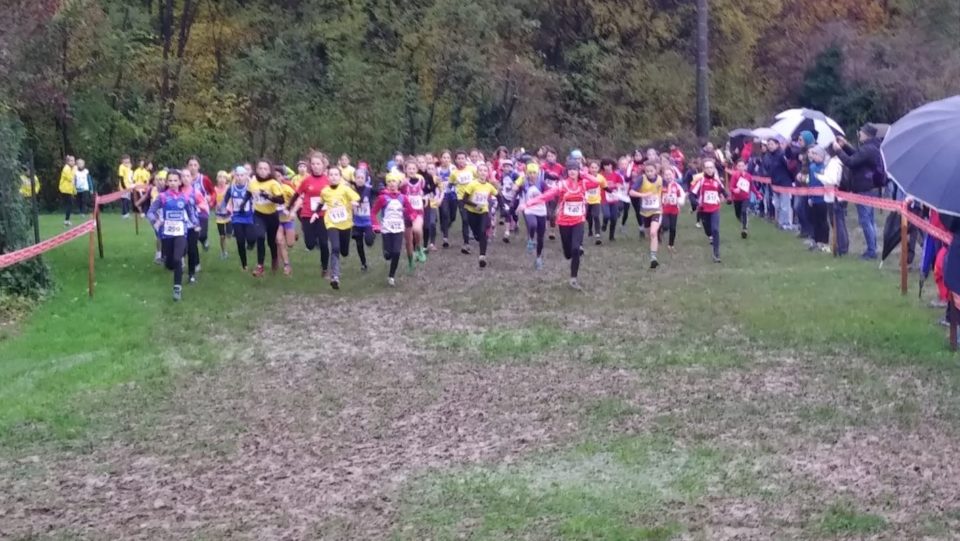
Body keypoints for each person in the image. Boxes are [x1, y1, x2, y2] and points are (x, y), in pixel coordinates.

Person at [520, 160, 601, 289]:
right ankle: (570, 253)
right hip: (564, 221)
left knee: (576, 249)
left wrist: (584, 173)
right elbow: (546, 196)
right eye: (570, 169)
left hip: (579, 220)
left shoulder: (584, 183)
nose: (572, 171)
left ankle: (573, 279)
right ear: (567, 172)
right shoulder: (562, 185)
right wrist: (528, 204)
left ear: (578, 170)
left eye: (575, 169)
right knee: (568, 253)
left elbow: (597, 182)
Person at [146, 170, 198, 301]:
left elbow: (191, 214)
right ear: (167, 182)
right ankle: (174, 258)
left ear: (180, 182)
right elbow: (150, 212)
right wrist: (156, 220)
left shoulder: (185, 198)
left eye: (176, 180)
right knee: (169, 264)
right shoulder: (162, 197)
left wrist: (196, 223)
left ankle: (177, 289)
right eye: (170, 180)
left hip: (181, 233)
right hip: (167, 234)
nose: (173, 183)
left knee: (177, 259)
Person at [833, 124, 883, 260]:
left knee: (865, 220)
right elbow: (858, 156)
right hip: (869, 186)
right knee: (869, 219)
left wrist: (838, 151)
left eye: (860, 132)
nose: (859, 134)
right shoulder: (871, 147)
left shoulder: (868, 149)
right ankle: (873, 247)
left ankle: (871, 251)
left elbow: (851, 162)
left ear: (866, 134)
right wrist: (846, 146)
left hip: (864, 187)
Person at [313, 166, 360, 289]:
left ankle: (337, 269)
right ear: (328, 177)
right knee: (335, 248)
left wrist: (354, 203)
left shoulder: (345, 189)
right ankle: (335, 276)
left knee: (344, 251)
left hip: (345, 224)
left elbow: (356, 198)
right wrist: (315, 213)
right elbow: (321, 203)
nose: (333, 177)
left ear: (340, 177)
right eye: (331, 175)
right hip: (331, 223)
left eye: (336, 175)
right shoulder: (325, 191)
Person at [241, 159, 286, 277]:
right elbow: (249, 193)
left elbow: (281, 200)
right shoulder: (253, 182)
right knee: (260, 237)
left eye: (265, 169)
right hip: (258, 214)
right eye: (260, 168)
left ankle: (275, 258)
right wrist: (242, 204)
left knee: (271, 242)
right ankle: (260, 266)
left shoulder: (273, 183)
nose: (262, 171)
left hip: (272, 216)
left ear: (269, 170)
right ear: (256, 169)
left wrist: (269, 196)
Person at [289, 152, 331, 275]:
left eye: (318, 164)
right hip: (307, 214)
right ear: (310, 166)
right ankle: (312, 237)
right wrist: (290, 208)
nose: (316, 166)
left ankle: (324, 269)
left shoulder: (328, 180)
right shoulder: (306, 180)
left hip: (323, 215)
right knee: (310, 244)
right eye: (313, 164)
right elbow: (297, 194)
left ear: (323, 165)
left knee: (324, 242)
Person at [372, 173, 417, 286]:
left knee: (396, 252)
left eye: (394, 181)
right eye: (389, 182)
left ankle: (391, 276)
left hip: (398, 228)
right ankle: (386, 251)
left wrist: (409, 215)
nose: (392, 184)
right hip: (386, 229)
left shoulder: (403, 198)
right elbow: (373, 213)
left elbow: (412, 212)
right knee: (388, 255)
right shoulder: (382, 198)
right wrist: (376, 225)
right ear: (387, 184)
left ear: (398, 184)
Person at [461, 164, 499, 268]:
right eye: (481, 171)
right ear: (477, 173)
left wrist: (504, 208)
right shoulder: (472, 185)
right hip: (471, 212)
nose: (483, 173)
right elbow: (464, 199)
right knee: (477, 234)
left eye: (485, 171)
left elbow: (498, 195)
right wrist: (474, 205)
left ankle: (482, 256)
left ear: (487, 174)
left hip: (483, 211)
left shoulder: (489, 186)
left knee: (483, 232)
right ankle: (479, 238)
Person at [628, 161, 664, 268]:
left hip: (657, 210)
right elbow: (631, 192)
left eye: (651, 171)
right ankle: (654, 246)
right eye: (647, 171)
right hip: (645, 211)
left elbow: (664, 190)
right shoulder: (641, 179)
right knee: (649, 234)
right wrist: (643, 195)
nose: (649, 173)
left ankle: (653, 258)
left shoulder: (660, 179)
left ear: (655, 170)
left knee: (653, 232)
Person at [817, 146, 848, 256]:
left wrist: (819, 176)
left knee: (837, 222)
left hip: (834, 196)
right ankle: (842, 245)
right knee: (838, 222)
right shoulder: (833, 162)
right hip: (834, 195)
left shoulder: (834, 163)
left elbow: (832, 179)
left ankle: (841, 247)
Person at [517, 162, 548, 269]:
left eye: (534, 173)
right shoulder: (524, 183)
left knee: (541, 237)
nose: (532, 175)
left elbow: (549, 194)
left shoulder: (542, 183)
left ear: (538, 173)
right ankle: (530, 239)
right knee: (533, 225)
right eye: (530, 173)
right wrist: (514, 206)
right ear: (527, 173)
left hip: (541, 210)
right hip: (529, 209)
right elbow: (517, 193)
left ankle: (538, 258)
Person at [226, 166, 255, 271]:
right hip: (237, 217)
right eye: (237, 175)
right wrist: (224, 208)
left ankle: (251, 244)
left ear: (246, 176)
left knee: (251, 239)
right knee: (240, 241)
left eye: (242, 175)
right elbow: (225, 199)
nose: (239, 177)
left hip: (249, 217)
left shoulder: (250, 187)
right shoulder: (231, 188)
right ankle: (244, 264)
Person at [696, 159, 726, 263]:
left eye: (711, 167)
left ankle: (716, 254)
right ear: (703, 169)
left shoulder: (717, 180)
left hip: (715, 208)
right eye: (707, 168)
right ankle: (710, 236)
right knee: (708, 231)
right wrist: (694, 203)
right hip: (704, 210)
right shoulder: (700, 181)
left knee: (715, 230)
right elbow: (692, 193)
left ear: (714, 169)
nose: (709, 170)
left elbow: (722, 190)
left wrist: (728, 198)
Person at [761, 138, 795, 231]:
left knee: (785, 206)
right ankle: (780, 222)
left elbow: (789, 167)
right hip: (775, 184)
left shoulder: (781, 154)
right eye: (768, 144)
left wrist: (791, 180)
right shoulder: (769, 156)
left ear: (777, 144)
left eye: (771, 144)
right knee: (777, 205)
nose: (769, 146)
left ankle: (786, 223)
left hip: (784, 184)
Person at [400, 160, 428, 270]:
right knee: (408, 241)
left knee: (417, 229)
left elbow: (424, 191)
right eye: (409, 169)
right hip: (406, 212)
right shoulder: (403, 182)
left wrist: (425, 197)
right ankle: (411, 262)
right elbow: (396, 193)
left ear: (416, 170)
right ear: (405, 170)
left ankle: (419, 247)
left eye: (413, 169)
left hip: (418, 211)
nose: (411, 171)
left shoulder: (421, 180)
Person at [450, 150, 478, 252]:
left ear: (466, 159)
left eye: (463, 158)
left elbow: (479, 178)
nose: (461, 160)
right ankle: (466, 243)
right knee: (465, 220)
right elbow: (450, 183)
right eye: (459, 158)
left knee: (473, 219)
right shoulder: (454, 173)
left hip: (472, 197)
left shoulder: (471, 169)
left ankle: (476, 233)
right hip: (461, 198)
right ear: (456, 160)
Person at [805, 146, 832, 253]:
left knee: (823, 221)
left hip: (823, 199)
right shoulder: (811, 167)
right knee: (815, 221)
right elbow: (811, 183)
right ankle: (816, 240)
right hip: (814, 198)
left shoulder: (825, 167)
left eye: (816, 154)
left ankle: (824, 242)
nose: (814, 156)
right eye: (813, 154)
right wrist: (810, 197)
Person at [350, 165, 376, 271]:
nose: (360, 180)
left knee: (369, 242)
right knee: (359, 243)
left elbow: (380, 192)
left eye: (362, 178)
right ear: (355, 179)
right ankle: (363, 263)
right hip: (356, 222)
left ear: (365, 179)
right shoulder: (350, 190)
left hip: (368, 222)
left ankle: (372, 235)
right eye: (358, 178)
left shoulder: (369, 190)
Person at [727, 160, 756, 239]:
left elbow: (752, 187)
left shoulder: (748, 176)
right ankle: (744, 222)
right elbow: (731, 187)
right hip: (736, 199)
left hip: (745, 198)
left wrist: (757, 194)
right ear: (736, 167)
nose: (741, 168)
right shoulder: (735, 175)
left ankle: (744, 229)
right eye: (739, 166)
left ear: (745, 167)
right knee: (738, 215)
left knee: (744, 211)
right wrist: (734, 190)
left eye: (742, 166)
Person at [660, 167, 686, 252]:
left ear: (673, 175)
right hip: (664, 210)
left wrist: (680, 201)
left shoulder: (676, 186)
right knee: (666, 225)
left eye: (670, 174)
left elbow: (681, 196)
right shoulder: (661, 186)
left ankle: (671, 245)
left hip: (674, 210)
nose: (668, 176)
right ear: (663, 176)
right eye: (666, 175)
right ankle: (660, 231)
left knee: (673, 228)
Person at [599, 158, 624, 242]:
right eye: (605, 165)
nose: (607, 167)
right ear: (602, 166)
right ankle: (605, 223)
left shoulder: (616, 175)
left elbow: (621, 184)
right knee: (606, 215)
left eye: (609, 165)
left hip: (614, 199)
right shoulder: (600, 175)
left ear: (612, 165)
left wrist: (617, 185)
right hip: (604, 199)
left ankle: (611, 236)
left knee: (614, 218)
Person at [585, 160, 606, 244]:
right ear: (589, 168)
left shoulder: (600, 177)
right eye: (592, 167)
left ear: (598, 168)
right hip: (586, 201)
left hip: (596, 200)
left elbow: (605, 186)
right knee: (588, 217)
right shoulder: (585, 177)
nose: (593, 169)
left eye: (595, 168)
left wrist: (612, 191)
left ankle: (598, 234)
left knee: (596, 216)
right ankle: (590, 229)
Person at [214, 171, 231, 259]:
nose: (221, 180)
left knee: (229, 234)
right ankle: (223, 251)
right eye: (219, 177)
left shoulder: (229, 188)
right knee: (222, 236)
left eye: (223, 178)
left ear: (226, 179)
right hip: (219, 216)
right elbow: (212, 201)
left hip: (228, 215)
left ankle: (231, 232)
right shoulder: (214, 189)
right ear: (217, 179)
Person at [59, 155, 76, 226]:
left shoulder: (71, 168)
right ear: (68, 161)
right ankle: (66, 220)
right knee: (69, 204)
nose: (73, 162)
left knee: (70, 204)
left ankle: (67, 220)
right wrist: (75, 170)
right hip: (65, 189)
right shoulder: (66, 168)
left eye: (74, 160)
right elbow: (70, 178)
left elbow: (73, 181)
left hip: (69, 189)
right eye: (71, 161)